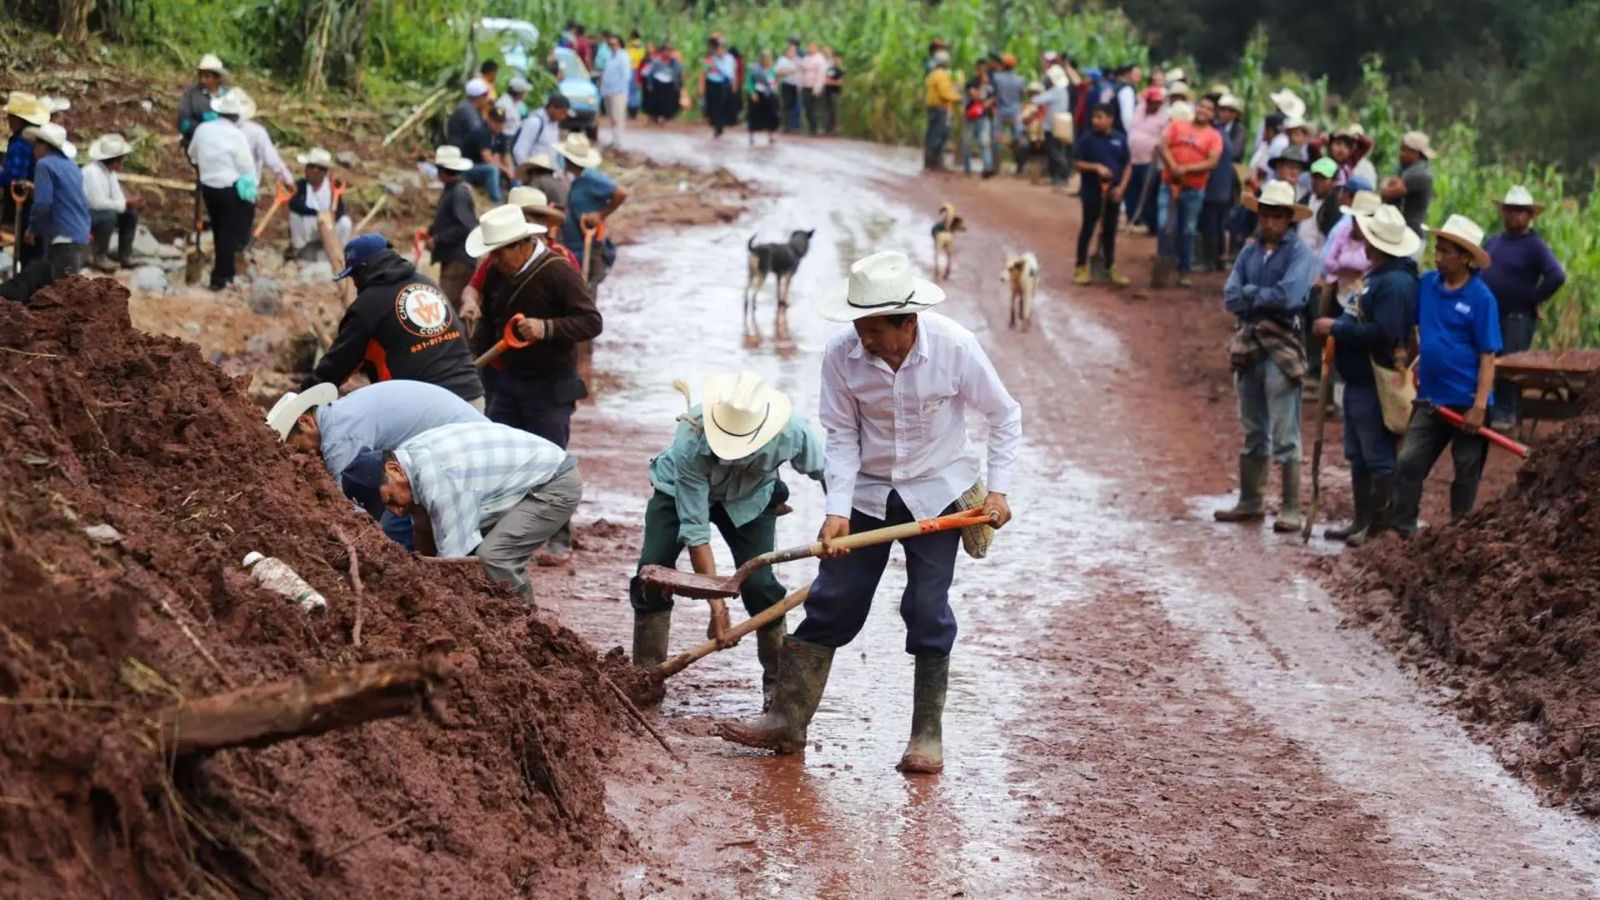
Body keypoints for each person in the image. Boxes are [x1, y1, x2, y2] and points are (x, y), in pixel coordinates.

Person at [718, 250, 1021, 774]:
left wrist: (999, 492)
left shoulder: (955, 348)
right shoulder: (841, 355)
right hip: (868, 496)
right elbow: (841, 436)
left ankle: (927, 734)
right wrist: (837, 510)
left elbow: (1004, 415)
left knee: (928, 608)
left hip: (937, 491)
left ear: (908, 322)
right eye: (858, 325)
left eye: (875, 329)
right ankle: (786, 720)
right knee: (835, 601)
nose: (865, 338)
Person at [630, 373, 824, 706]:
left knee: (761, 586)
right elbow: (696, 530)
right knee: (652, 572)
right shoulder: (691, 438)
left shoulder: (792, 432)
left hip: (751, 499)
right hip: (677, 492)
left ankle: (776, 690)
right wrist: (716, 607)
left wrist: (842, 518)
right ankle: (646, 677)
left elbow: (829, 473)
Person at [346, 422, 582, 602]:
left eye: (391, 501)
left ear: (394, 469)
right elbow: (425, 537)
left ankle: (526, 629)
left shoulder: (441, 481)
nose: (396, 513)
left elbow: (454, 565)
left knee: (495, 557)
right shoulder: (409, 460)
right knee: (425, 525)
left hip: (553, 483)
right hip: (512, 482)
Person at [269, 380, 488, 550]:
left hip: (466, 449)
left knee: (393, 532)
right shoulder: (343, 412)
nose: (303, 455)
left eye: (296, 447)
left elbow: (346, 510)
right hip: (464, 437)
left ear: (306, 422)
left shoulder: (340, 437)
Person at [1311, 205, 1419, 546]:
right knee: (1357, 454)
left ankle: (1377, 526)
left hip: (1376, 380)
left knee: (1377, 455)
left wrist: (1338, 330)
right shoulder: (1379, 277)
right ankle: (1361, 520)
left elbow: (1385, 333)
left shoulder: (1396, 284)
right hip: (1358, 380)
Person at [1215, 181, 1318, 530]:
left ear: (1289, 218)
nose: (1270, 222)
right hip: (1250, 342)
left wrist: (1251, 293)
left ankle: (1291, 507)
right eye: (1266, 215)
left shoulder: (1301, 254)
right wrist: (1261, 295)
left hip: (1281, 343)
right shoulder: (1248, 252)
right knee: (1253, 427)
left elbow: (1290, 298)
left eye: (1277, 216)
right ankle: (1251, 500)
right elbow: (1230, 296)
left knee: (1286, 432)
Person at [1391, 215, 1503, 534]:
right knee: (1409, 462)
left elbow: (1488, 355)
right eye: (1437, 249)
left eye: (1446, 251)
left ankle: (1459, 534)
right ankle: (1402, 529)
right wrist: (1406, 358)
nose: (1438, 257)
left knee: (1466, 470)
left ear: (1465, 257)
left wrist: (1480, 405)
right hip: (1430, 400)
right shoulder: (1427, 285)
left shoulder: (1481, 299)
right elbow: (1416, 329)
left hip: (1467, 404)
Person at [305, 233, 484, 407]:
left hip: (426, 409)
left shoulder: (368, 306)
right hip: (473, 397)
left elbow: (337, 364)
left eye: (353, 277)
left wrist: (302, 397)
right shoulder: (427, 283)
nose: (354, 283)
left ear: (362, 270)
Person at [1483, 186, 1566, 429]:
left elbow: (1556, 275)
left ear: (1529, 216)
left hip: (1516, 316)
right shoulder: (1494, 241)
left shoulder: (1534, 245)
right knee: (1489, 359)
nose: (1512, 215)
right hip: (1490, 313)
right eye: (1509, 210)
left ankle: (1505, 414)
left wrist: (1533, 298)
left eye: (1519, 211)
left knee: (1510, 364)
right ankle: (1487, 408)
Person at [0, 122, 88, 304]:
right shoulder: (70, 166)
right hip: (77, 232)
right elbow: (64, 196)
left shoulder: (45, 165)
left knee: (64, 292)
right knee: (50, 277)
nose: (33, 150)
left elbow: (43, 204)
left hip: (62, 236)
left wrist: (32, 229)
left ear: (44, 146)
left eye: (36, 145)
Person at [186, 93, 256, 291]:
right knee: (228, 233)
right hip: (228, 186)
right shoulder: (237, 135)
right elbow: (246, 166)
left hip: (208, 186)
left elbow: (193, 155)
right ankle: (222, 276)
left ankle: (223, 271)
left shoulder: (202, 129)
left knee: (218, 229)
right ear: (235, 116)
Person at [1156, 98, 1222, 287]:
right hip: (1169, 185)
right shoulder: (1177, 126)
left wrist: (1186, 169)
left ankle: (1184, 270)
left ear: (1212, 114)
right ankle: (1163, 263)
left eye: (1209, 109)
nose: (1203, 110)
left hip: (1193, 189)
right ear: (1195, 107)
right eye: (1201, 106)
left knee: (1188, 229)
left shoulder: (1214, 136)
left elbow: (1212, 162)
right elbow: (1163, 146)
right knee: (1164, 226)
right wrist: (1174, 166)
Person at [1072, 104, 1132, 286]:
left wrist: (1121, 188)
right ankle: (1081, 266)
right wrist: (1096, 167)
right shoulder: (1087, 139)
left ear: (1110, 119)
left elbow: (1127, 165)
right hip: (1092, 192)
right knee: (1088, 228)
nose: (1095, 121)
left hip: (1113, 193)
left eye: (1099, 117)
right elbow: (1076, 163)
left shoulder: (1120, 139)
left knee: (1110, 230)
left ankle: (1110, 266)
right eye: (1094, 117)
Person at [556, 133, 627, 286]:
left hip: (589, 250)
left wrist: (600, 214)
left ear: (568, 159)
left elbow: (621, 192)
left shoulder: (591, 177)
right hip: (575, 250)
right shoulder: (576, 180)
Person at [424, 145, 478, 310]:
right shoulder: (453, 191)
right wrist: (432, 230)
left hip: (459, 259)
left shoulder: (458, 194)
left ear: (442, 171)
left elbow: (464, 226)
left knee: (446, 307)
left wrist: (438, 239)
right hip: (454, 258)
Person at [81, 134, 141, 272]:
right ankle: (99, 256)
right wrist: (124, 204)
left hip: (100, 211)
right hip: (86, 214)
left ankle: (125, 255)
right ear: (114, 161)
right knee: (108, 215)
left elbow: (118, 197)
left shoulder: (110, 173)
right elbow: (97, 203)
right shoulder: (92, 172)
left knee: (130, 215)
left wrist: (127, 205)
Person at [286, 147, 350, 260]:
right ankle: (298, 249)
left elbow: (340, 209)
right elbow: (294, 204)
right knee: (294, 215)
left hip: (329, 227)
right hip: (309, 225)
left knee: (345, 222)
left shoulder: (332, 187)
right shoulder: (300, 185)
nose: (310, 170)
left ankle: (338, 252)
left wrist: (333, 216)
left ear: (323, 172)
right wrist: (317, 213)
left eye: (320, 168)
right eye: (309, 166)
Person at [453, 79, 507, 203]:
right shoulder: (469, 114)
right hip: (461, 163)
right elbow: (486, 154)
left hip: (467, 160)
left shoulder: (471, 110)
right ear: (480, 97)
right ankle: (496, 201)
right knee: (492, 168)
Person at [1197, 99, 1235, 272]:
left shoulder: (1213, 135)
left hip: (1213, 186)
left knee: (1210, 225)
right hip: (1224, 187)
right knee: (1219, 225)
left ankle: (1209, 261)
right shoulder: (1223, 133)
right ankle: (1218, 259)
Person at [230, 90, 293, 192]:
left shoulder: (211, 129)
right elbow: (271, 159)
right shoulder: (256, 132)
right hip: (245, 188)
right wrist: (287, 179)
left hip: (217, 185)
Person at [1124, 85, 1167, 234]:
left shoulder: (1163, 118)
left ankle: (1150, 224)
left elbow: (1163, 141)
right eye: (1152, 101)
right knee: (1131, 189)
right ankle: (1132, 217)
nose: (1155, 104)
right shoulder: (1139, 109)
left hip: (1150, 160)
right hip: (1132, 158)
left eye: (1158, 102)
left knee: (1148, 192)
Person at [1382, 130, 1435, 237]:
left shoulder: (1419, 173)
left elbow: (1387, 192)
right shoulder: (1409, 169)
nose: (1400, 154)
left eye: (1404, 150)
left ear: (1415, 153)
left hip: (1410, 234)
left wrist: (1385, 184)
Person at [1031, 65, 1071, 184]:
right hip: (1060, 125)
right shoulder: (1063, 91)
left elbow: (1036, 100)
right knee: (1057, 149)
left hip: (1052, 125)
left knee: (1053, 151)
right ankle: (1057, 176)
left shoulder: (1056, 91)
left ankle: (1063, 174)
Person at [176, 54, 228, 147]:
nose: (202, 80)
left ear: (217, 78)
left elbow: (235, 120)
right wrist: (203, 129)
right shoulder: (191, 94)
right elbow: (183, 121)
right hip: (197, 144)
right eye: (201, 76)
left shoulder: (228, 96)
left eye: (207, 77)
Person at [923, 50, 960, 171]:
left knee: (932, 135)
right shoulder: (942, 75)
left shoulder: (932, 74)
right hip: (940, 108)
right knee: (939, 135)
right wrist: (958, 98)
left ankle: (929, 162)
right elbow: (945, 93)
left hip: (932, 108)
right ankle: (935, 163)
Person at [512, 93, 570, 169]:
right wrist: (528, 173)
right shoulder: (535, 122)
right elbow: (519, 151)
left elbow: (551, 154)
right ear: (552, 108)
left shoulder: (554, 125)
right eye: (562, 113)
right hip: (533, 172)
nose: (564, 117)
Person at [960, 63, 994, 177]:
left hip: (984, 116)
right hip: (970, 116)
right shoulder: (971, 82)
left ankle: (987, 167)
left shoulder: (992, 83)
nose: (983, 72)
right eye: (981, 69)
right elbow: (977, 97)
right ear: (977, 70)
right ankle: (967, 168)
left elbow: (994, 98)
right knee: (967, 143)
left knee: (985, 142)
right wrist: (983, 85)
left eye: (985, 69)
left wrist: (986, 104)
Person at [701, 37, 738, 139]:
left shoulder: (730, 58)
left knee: (723, 106)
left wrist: (734, 84)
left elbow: (732, 73)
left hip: (725, 84)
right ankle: (717, 126)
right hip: (713, 83)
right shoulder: (710, 59)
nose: (718, 50)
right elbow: (704, 72)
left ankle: (721, 125)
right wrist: (702, 86)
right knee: (714, 107)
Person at [1300, 156, 1338, 253]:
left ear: (1334, 181)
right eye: (1316, 177)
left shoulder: (1334, 206)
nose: (1318, 181)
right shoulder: (1305, 199)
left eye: (1323, 178)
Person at [600, 33, 632, 148]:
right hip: (608, 91)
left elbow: (626, 76)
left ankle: (618, 142)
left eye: (614, 44)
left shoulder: (623, 57)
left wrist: (619, 90)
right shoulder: (610, 58)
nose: (612, 46)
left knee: (618, 117)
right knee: (612, 118)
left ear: (619, 44)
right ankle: (614, 140)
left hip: (618, 92)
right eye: (610, 44)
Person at [641, 43, 685, 125]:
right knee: (656, 101)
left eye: (668, 51)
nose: (666, 53)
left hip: (669, 84)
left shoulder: (675, 63)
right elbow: (649, 73)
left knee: (668, 102)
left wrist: (679, 85)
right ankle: (654, 117)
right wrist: (649, 84)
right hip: (658, 84)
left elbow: (679, 73)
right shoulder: (656, 62)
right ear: (662, 52)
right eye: (665, 51)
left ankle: (665, 117)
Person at [746, 50, 781, 145]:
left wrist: (775, 91)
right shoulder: (755, 69)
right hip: (758, 94)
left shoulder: (773, 69)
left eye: (768, 58)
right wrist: (752, 92)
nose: (766, 60)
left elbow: (774, 82)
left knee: (772, 115)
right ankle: (752, 136)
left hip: (770, 95)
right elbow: (749, 82)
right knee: (754, 115)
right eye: (765, 58)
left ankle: (771, 135)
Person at [775, 39, 803, 133]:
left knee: (796, 106)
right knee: (786, 105)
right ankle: (786, 125)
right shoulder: (782, 60)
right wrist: (790, 71)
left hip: (796, 86)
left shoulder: (799, 60)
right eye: (790, 51)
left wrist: (800, 85)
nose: (792, 53)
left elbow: (801, 74)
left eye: (794, 51)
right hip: (786, 84)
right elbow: (777, 72)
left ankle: (795, 126)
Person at [821, 47, 846, 136]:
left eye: (837, 58)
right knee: (828, 110)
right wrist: (832, 81)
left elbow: (840, 83)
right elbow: (826, 80)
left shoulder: (841, 70)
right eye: (834, 58)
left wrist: (831, 82)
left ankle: (834, 129)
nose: (836, 60)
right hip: (827, 92)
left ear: (841, 60)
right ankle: (827, 129)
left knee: (834, 111)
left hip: (835, 93)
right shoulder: (830, 69)